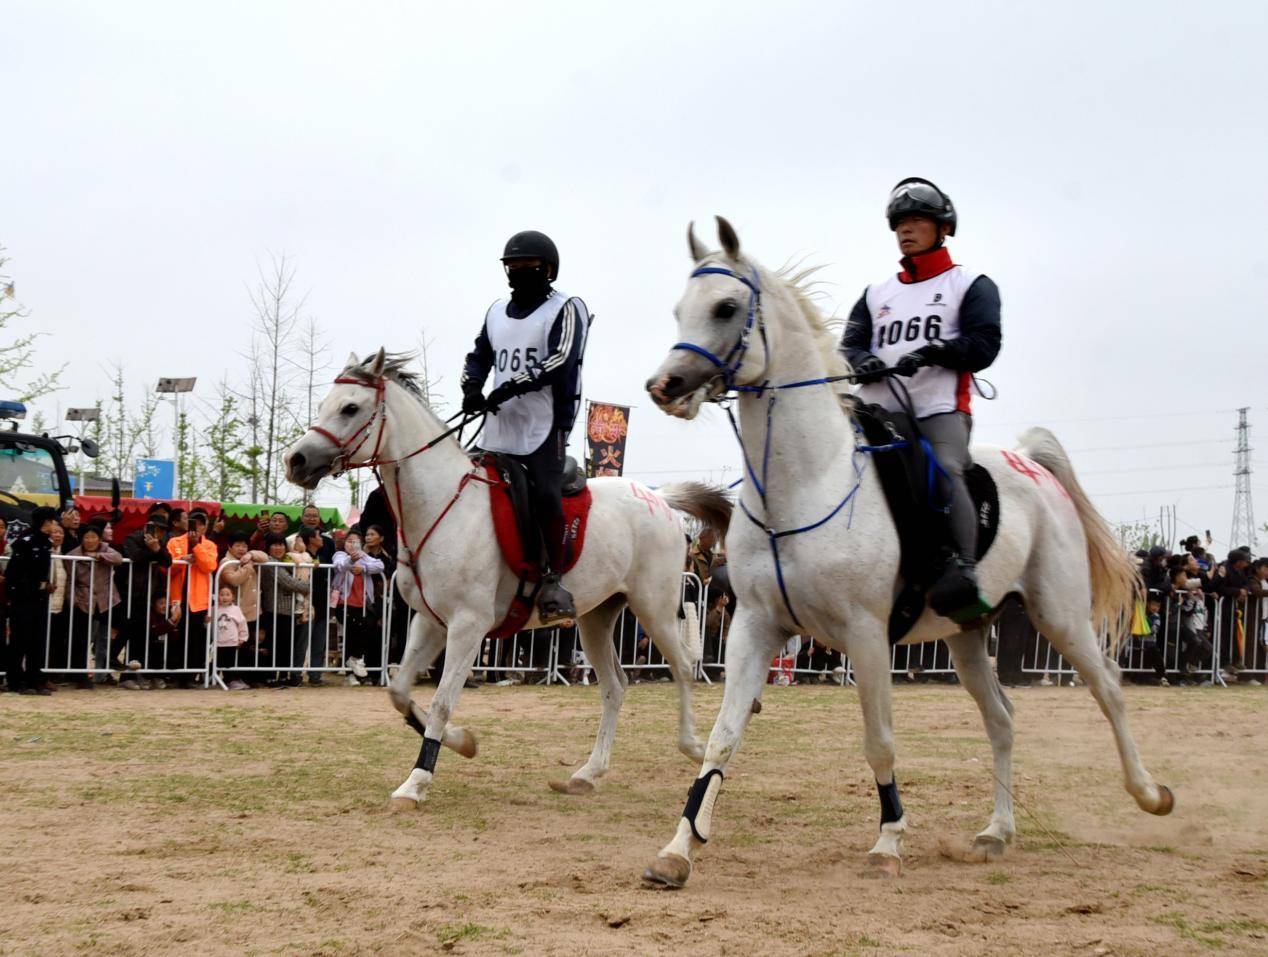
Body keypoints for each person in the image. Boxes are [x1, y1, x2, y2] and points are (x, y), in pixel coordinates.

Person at [840, 178, 1001, 619]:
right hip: (874, 410)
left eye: (916, 221)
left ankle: (963, 571)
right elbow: (849, 344)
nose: (905, 230)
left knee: (946, 468)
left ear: (942, 228)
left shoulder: (970, 285)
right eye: (900, 224)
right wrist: (862, 359)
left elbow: (985, 345)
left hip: (938, 409)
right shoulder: (875, 295)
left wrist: (936, 352)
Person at [461, 229, 590, 624]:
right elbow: (479, 355)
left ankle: (553, 581)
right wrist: (471, 386)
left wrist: (513, 386)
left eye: (526, 267)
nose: (517, 272)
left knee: (547, 496)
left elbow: (562, 360)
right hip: (500, 422)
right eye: (511, 267)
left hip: (545, 421)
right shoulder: (496, 311)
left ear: (547, 269)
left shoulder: (567, 307)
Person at [3, 506, 58, 694]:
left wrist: (46, 584)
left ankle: (35, 679)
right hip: (23, 599)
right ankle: (15, 681)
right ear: (45, 522)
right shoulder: (25, 542)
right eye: (52, 521)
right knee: (20, 640)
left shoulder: (45, 544)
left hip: (39, 599)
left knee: (37, 640)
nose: (54, 524)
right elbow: (13, 573)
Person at [115, 511, 172, 675]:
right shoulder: (132, 538)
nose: (160, 534)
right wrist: (153, 550)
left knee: (141, 636)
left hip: (147, 595)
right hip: (127, 592)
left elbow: (167, 561)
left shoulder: (161, 543)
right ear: (148, 527)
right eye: (157, 529)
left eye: (163, 530)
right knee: (127, 630)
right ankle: (117, 664)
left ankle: (136, 673)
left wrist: (157, 549)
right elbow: (136, 557)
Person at [166, 510, 219, 685]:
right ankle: (174, 675)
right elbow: (167, 567)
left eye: (200, 524)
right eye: (192, 523)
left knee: (197, 638)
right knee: (176, 637)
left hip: (198, 600)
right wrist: (182, 560)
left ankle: (190, 675)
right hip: (177, 598)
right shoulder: (174, 542)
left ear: (204, 527)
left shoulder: (209, 545)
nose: (196, 527)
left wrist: (196, 546)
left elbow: (210, 566)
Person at [66, 523, 123, 683]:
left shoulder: (105, 549)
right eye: (87, 537)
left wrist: (99, 556)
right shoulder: (73, 555)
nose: (90, 540)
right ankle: (80, 676)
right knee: (82, 638)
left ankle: (106, 667)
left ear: (99, 539)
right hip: (84, 600)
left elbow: (118, 558)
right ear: (81, 539)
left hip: (107, 600)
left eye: (94, 537)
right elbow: (70, 581)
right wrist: (73, 601)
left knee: (119, 629)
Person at [257, 533, 310, 687]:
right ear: (268, 547)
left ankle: (283, 675)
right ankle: (271, 676)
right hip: (274, 610)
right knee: (274, 645)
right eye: (274, 544)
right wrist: (307, 587)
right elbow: (287, 582)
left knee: (286, 646)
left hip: (287, 611)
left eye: (281, 544)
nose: (278, 548)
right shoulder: (270, 562)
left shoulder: (287, 561)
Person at [331, 531, 384, 684]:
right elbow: (340, 565)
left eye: (356, 542)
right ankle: (351, 671)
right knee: (351, 633)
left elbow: (379, 565)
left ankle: (355, 660)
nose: (352, 544)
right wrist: (351, 560)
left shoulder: (364, 557)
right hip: (344, 603)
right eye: (349, 541)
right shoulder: (340, 555)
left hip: (363, 604)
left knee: (364, 629)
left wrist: (364, 568)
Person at [217, 532, 269, 685]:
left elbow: (265, 557)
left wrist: (251, 554)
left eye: (245, 545)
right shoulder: (226, 561)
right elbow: (233, 580)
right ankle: (231, 678)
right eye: (238, 545)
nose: (242, 549)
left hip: (252, 611)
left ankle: (246, 678)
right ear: (229, 547)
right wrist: (248, 566)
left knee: (247, 647)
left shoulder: (248, 557)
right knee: (232, 647)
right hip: (234, 613)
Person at [214, 585, 251, 690]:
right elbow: (209, 624)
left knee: (230, 663)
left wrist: (242, 638)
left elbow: (242, 624)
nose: (224, 597)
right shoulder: (214, 609)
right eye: (221, 595)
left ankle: (231, 680)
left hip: (231, 642)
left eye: (227, 595)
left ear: (233, 597)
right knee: (218, 662)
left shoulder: (236, 609)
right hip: (218, 642)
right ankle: (213, 679)